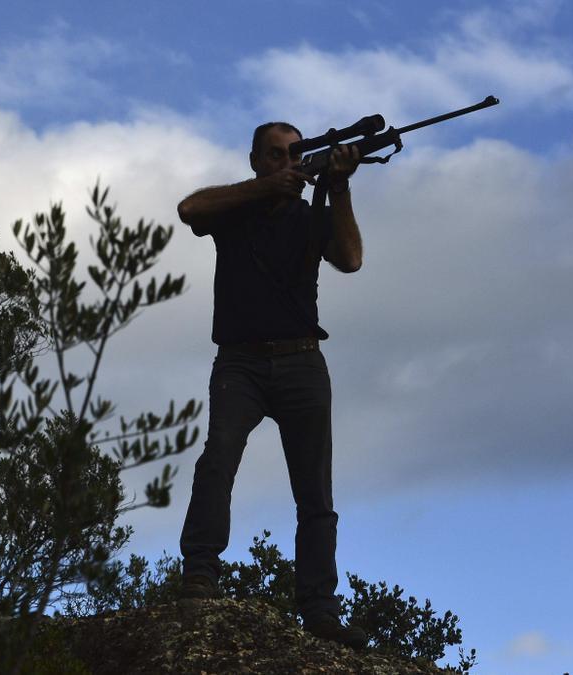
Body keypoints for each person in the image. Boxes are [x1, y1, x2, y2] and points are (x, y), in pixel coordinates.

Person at [174, 121, 368, 650]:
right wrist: (263, 190)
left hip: (303, 361)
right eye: (276, 156)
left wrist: (341, 184)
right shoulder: (235, 208)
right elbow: (189, 209)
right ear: (257, 160)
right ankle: (200, 574)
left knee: (315, 493)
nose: (287, 163)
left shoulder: (310, 215)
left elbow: (350, 258)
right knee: (218, 460)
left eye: (295, 155)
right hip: (239, 364)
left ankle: (320, 610)